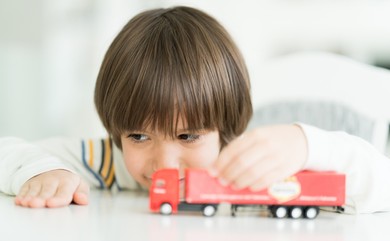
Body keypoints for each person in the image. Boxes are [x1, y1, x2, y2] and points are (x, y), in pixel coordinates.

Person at [0, 6, 389, 214]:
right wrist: (45, 171)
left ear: (226, 129)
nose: (164, 162)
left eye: (188, 136)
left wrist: (308, 146)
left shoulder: (256, 165)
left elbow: (380, 186)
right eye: (138, 135)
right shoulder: (111, 161)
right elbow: (7, 150)